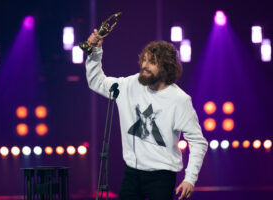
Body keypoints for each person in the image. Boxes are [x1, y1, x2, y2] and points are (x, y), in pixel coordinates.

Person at [85, 29, 208, 200]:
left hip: (161, 177)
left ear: (166, 66)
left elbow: (198, 142)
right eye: (144, 60)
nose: (144, 66)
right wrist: (95, 52)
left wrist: (190, 179)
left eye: (152, 62)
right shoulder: (129, 85)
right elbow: (96, 82)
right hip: (131, 174)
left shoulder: (179, 100)